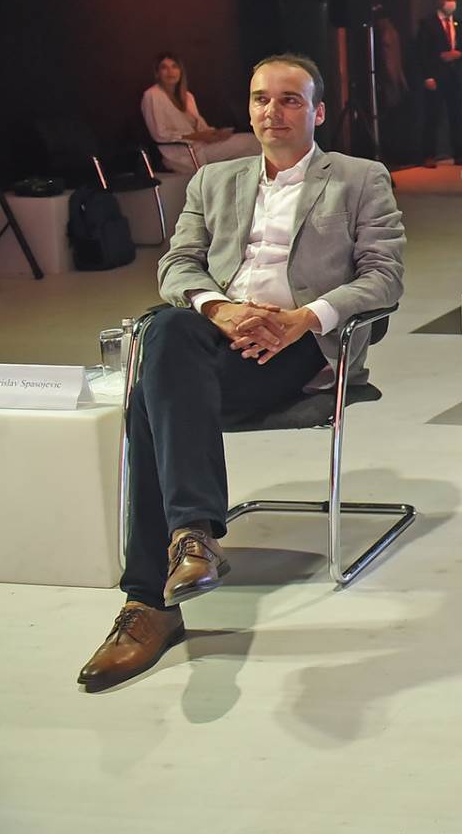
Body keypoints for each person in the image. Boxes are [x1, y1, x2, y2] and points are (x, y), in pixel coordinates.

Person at [77, 54, 405, 693]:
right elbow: (177, 265)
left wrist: (303, 318)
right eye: (260, 98)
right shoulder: (213, 180)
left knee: (150, 397)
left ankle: (150, 600)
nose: (271, 111)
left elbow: (384, 276)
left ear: (318, 111)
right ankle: (192, 538)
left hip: (298, 349)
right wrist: (221, 310)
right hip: (218, 338)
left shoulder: (360, 178)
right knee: (166, 328)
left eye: (289, 100)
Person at [141, 53, 261, 172]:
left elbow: (201, 128)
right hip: (183, 152)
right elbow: (160, 135)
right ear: (157, 73)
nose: (170, 71)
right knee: (250, 143)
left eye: (174, 66)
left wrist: (216, 133)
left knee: (253, 139)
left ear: (180, 71)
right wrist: (198, 136)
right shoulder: (152, 95)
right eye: (164, 67)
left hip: (203, 145)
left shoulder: (187, 96)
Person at [414, 0, 462, 168]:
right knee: (432, 117)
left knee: (457, 116)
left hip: (455, 77)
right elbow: (421, 52)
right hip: (436, 77)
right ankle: (429, 154)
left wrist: (458, 54)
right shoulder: (428, 24)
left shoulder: (458, 23)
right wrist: (427, 76)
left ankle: (460, 154)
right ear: (440, 0)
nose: (451, 3)